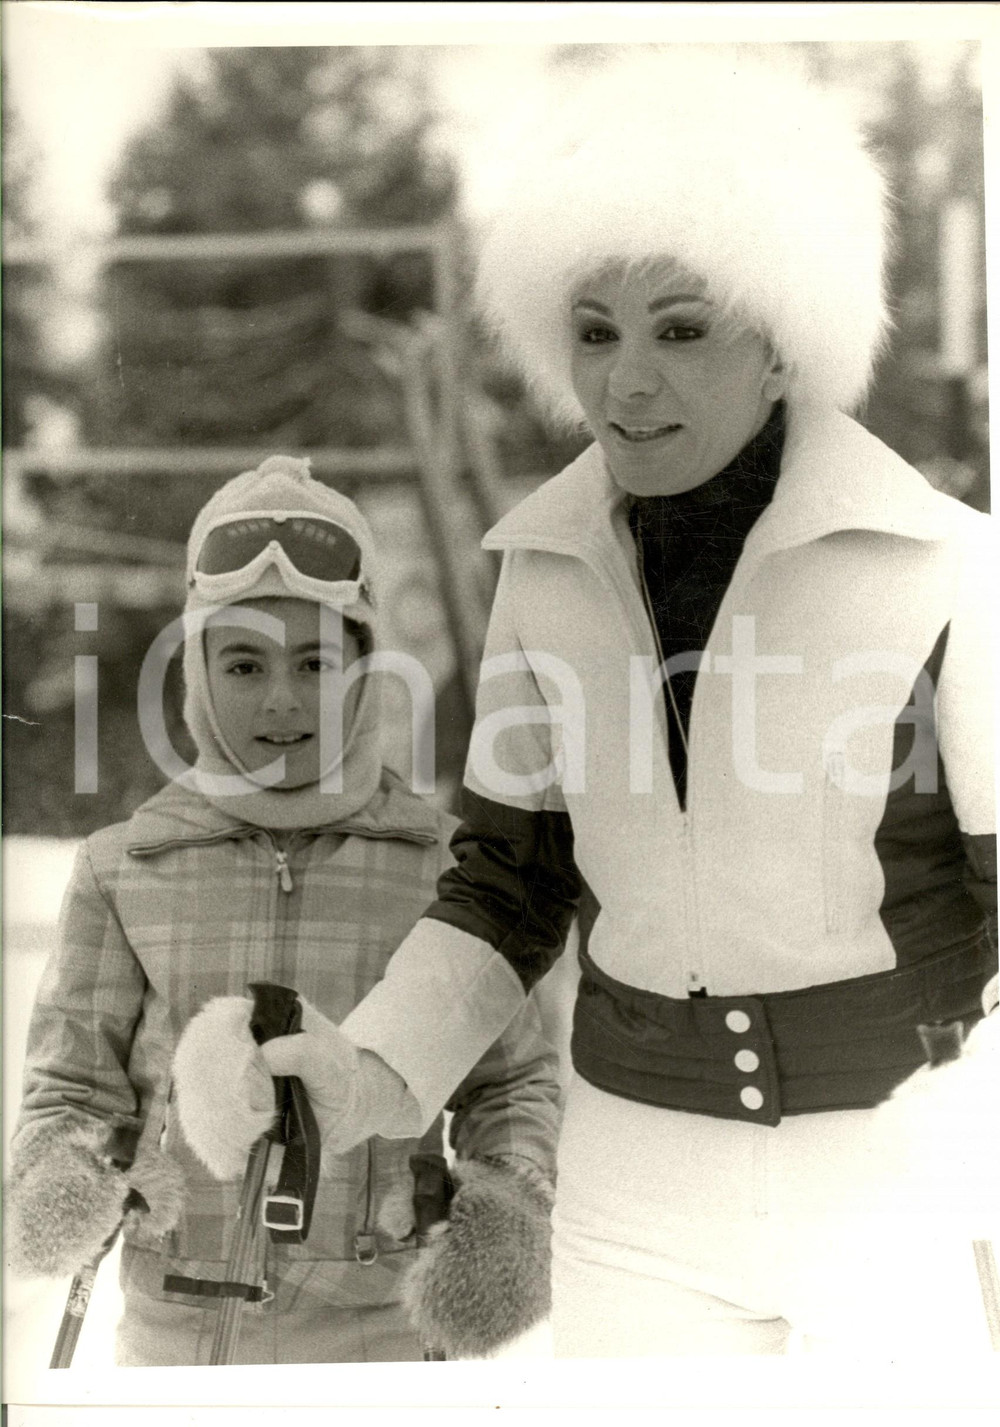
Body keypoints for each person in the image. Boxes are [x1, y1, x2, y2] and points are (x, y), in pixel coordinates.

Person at [167, 48, 997, 1357]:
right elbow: (509, 885)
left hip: (888, 1175)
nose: (626, 382)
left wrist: (964, 1134)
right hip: (634, 1187)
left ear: (782, 342)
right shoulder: (543, 570)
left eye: (682, 329)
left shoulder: (946, 567)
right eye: (597, 333)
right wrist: (368, 1067)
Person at [6, 455, 559, 1366]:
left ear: (364, 669)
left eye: (315, 662)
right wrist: (67, 1177)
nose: (281, 699)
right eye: (244, 662)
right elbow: (70, 1086)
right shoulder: (124, 868)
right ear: (196, 670)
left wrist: (502, 1207)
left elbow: (513, 1081)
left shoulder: (449, 869)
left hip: (385, 1355)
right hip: (174, 1357)